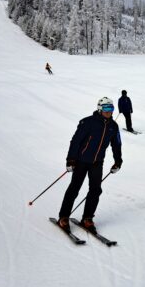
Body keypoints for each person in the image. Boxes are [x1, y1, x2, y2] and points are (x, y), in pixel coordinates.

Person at [58, 97, 122, 231]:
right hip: (81, 161)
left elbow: (116, 145)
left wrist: (118, 161)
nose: (109, 111)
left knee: (95, 190)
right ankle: (63, 217)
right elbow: (75, 141)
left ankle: (87, 218)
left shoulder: (113, 126)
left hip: (97, 163)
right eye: (106, 108)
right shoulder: (88, 122)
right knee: (74, 188)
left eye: (111, 109)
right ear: (100, 108)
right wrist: (70, 159)